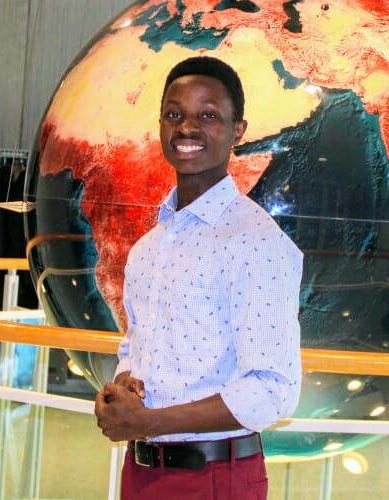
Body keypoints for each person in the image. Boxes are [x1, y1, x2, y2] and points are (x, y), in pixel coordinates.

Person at [95, 56, 303, 500]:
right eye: (175, 114)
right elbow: (135, 345)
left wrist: (150, 422)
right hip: (142, 471)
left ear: (238, 130)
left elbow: (272, 390)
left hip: (215, 477)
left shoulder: (255, 242)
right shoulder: (150, 247)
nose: (187, 128)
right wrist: (127, 381)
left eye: (208, 115)